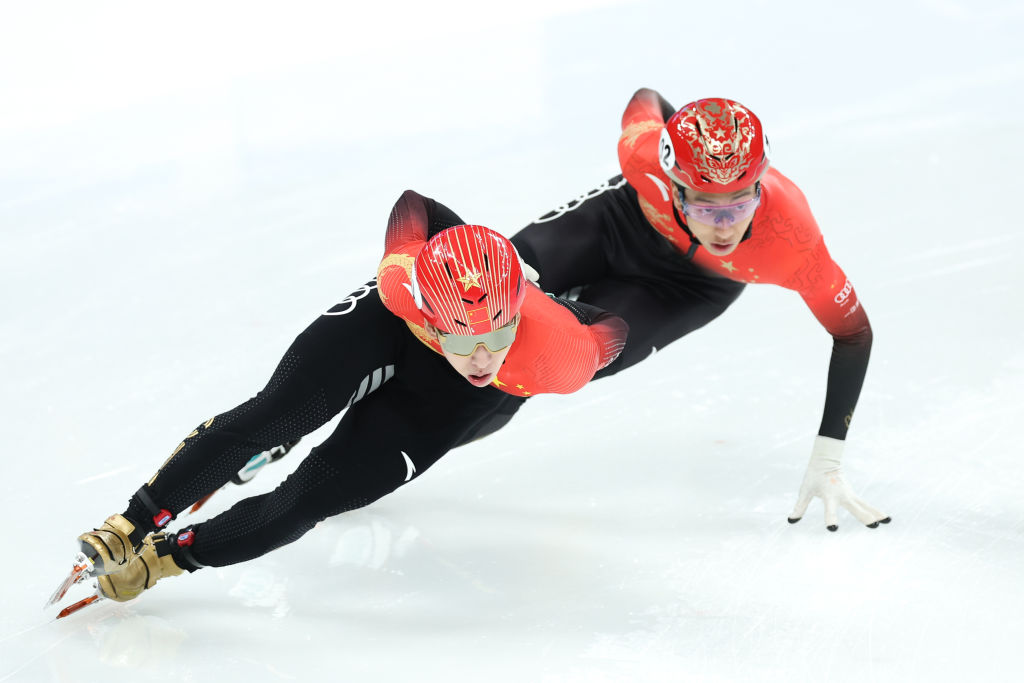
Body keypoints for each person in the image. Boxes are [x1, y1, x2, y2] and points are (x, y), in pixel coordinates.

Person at [63, 190, 627, 606]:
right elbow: (417, 206)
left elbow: (613, 332)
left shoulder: (558, 351)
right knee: (277, 413)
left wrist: (543, 307)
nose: (480, 358)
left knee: (312, 498)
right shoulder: (402, 281)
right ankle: (131, 524)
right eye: (462, 340)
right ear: (430, 314)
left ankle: (166, 559)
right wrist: (457, 255)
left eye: (495, 337)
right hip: (389, 329)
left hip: (449, 398)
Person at [509, 89, 889, 532]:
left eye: (740, 205)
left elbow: (853, 333)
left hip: (690, 287)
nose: (724, 227)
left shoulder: (791, 239)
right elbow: (647, 98)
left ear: (760, 188)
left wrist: (828, 458)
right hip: (622, 222)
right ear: (672, 184)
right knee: (487, 282)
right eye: (706, 207)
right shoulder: (642, 154)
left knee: (549, 364)